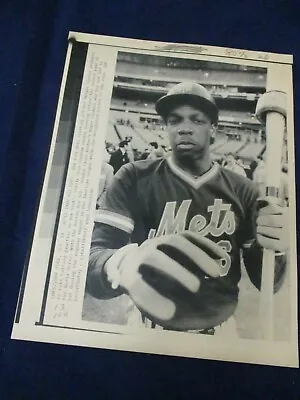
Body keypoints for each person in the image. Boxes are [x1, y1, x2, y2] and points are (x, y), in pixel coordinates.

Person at [87, 82, 288, 336]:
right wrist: (120, 261)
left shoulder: (243, 189)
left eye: (197, 120)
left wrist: (276, 248)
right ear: (166, 127)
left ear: (213, 128)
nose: (184, 128)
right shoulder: (133, 177)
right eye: (175, 120)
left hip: (219, 334)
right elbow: (94, 261)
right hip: (146, 329)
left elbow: (267, 282)